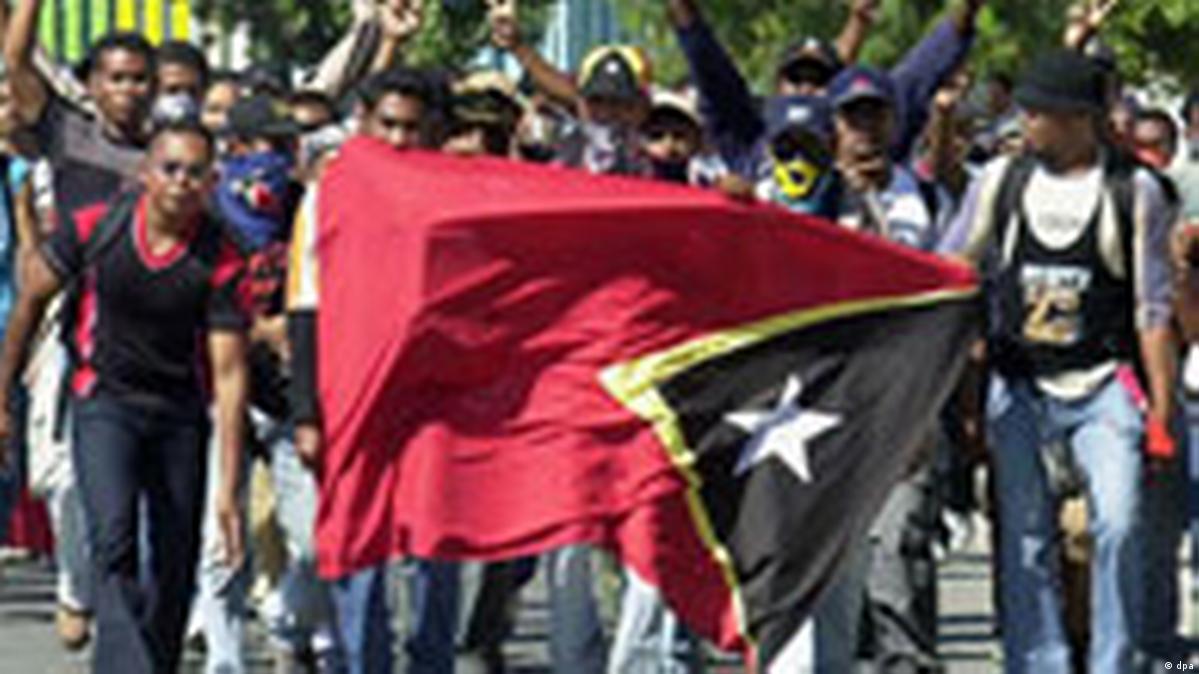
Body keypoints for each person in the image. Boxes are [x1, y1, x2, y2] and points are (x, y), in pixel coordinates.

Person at [938, 49, 1176, 674]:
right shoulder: (1001, 181)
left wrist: (1161, 412)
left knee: (1119, 522)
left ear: (1075, 118)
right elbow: (952, 266)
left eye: (1036, 113)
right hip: (1020, 384)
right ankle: (1037, 660)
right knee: (1024, 533)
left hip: (1104, 384)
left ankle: (1113, 659)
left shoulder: (1134, 191)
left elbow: (1153, 309)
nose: (1025, 123)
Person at [0, 120, 251, 674]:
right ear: (145, 173)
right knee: (113, 540)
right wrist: (2, 398)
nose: (181, 182)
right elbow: (31, 299)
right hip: (104, 401)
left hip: (180, 413)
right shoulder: (97, 227)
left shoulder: (221, 257)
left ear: (211, 182)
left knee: (174, 559)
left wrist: (229, 492)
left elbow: (230, 375)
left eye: (195, 173)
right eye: (170, 169)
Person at [289, 66, 458, 674]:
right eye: (387, 124)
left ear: (434, 131)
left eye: (413, 127)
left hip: (434, 401)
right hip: (352, 397)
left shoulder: (457, 196)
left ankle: (432, 663)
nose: (399, 139)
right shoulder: (327, 196)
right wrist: (306, 412)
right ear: (362, 123)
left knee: (436, 545)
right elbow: (305, 303)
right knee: (358, 543)